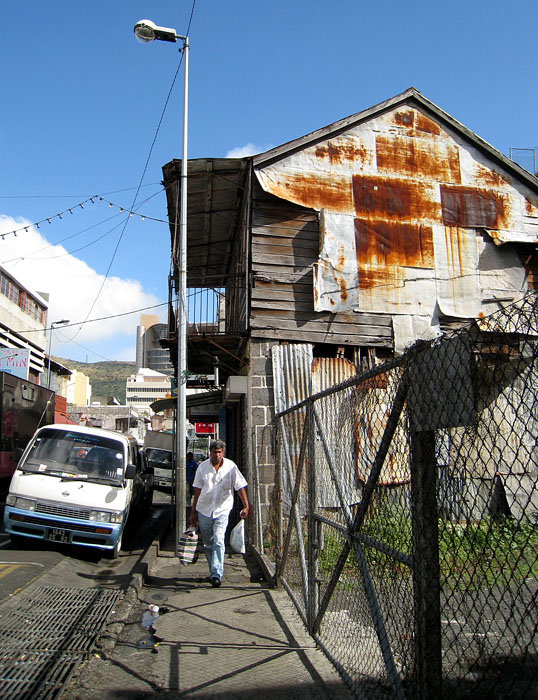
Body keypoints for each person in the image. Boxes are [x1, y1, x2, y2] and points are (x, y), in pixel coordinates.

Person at [189, 439, 249, 587]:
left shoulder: (231, 467)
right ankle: (212, 570)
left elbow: (240, 487)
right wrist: (193, 513)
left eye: (219, 452)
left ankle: (217, 573)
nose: (217, 455)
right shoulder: (202, 468)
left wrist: (246, 506)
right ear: (210, 452)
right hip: (204, 510)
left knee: (219, 539)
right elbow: (196, 492)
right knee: (208, 544)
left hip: (222, 509)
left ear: (223, 453)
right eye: (215, 452)